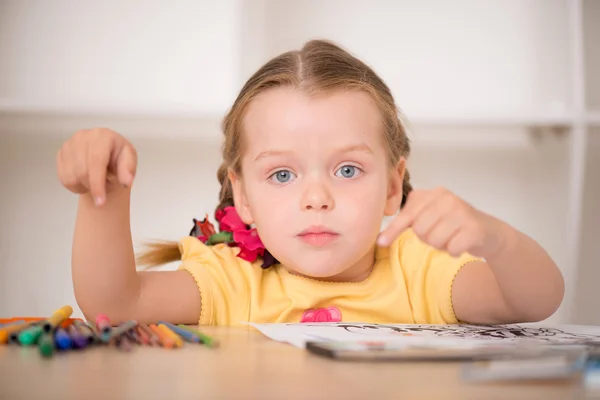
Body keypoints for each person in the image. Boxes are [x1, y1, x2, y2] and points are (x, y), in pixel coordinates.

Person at [56, 40, 565, 327]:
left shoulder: (421, 271)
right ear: (244, 196)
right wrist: (103, 195)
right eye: (282, 174)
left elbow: (534, 299)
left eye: (348, 170)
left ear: (393, 186)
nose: (317, 198)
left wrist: (494, 238)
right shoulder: (232, 282)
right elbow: (115, 307)